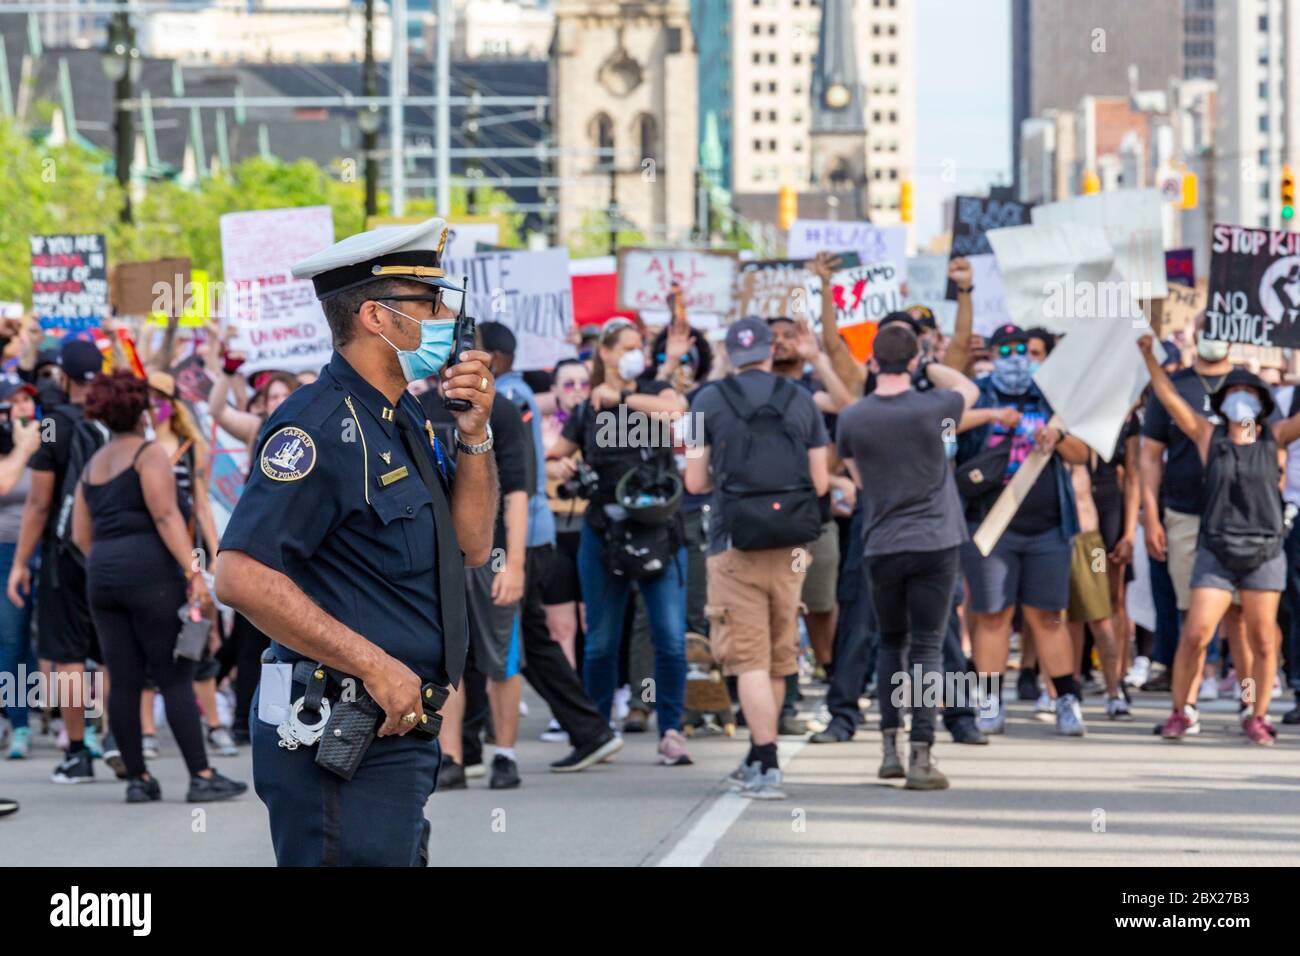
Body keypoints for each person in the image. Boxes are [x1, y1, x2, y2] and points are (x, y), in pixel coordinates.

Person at [214, 217, 498, 866]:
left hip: (396, 726)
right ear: (376, 316)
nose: (443, 318)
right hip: (338, 726)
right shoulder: (316, 424)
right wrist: (374, 665)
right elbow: (238, 575)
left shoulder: (405, 417)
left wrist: (477, 436)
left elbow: (472, 547)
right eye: (426, 303)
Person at [71, 371, 246, 803]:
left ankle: (138, 779)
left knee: (125, 679)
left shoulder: (94, 463)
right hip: (150, 577)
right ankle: (201, 776)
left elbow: (79, 533)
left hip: (102, 578)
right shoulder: (148, 455)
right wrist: (193, 572)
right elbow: (167, 516)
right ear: (141, 409)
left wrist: (108, 561)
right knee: (173, 676)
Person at [686, 318, 830, 798]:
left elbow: (694, 482)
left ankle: (766, 762)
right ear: (772, 350)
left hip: (733, 543)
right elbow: (823, 483)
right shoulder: (801, 398)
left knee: (747, 659)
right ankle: (757, 755)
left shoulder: (704, 400)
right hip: (792, 545)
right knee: (777, 656)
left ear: (728, 353)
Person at [837, 324, 979, 789]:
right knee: (926, 647)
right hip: (934, 541)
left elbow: (856, 476)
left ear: (873, 362)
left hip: (882, 542)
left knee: (889, 643)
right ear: (914, 362)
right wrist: (929, 363)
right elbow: (968, 388)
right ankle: (921, 755)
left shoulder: (854, 417)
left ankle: (888, 748)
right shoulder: (936, 407)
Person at [547, 317, 693, 767]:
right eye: (627, 346)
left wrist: (626, 397)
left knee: (670, 637)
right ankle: (597, 732)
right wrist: (562, 469)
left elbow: (678, 413)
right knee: (601, 642)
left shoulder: (652, 390)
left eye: (641, 347)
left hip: (658, 533)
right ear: (606, 353)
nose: (636, 354)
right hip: (602, 533)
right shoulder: (586, 408)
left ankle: (671, 729)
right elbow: (554, 458)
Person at [476, 323, 622, 772]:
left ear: (496, 358)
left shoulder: (509, 401)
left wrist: (514, 555)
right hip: (521, 539)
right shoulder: (505, 396)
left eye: (472, 348)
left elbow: (516, 481)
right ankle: (589, 731)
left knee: (523, 642)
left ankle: (588, 730)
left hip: (521, 540)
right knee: (529, 639)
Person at [1138, 338, 1298, 745]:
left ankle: (1256, 713)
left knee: (1262, 639)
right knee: (1196, 633)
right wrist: (1147, 357)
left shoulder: (1274, 437)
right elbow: (1169, 398)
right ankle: (1181, 711)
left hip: (1263, 550)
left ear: (1261, 403)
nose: (1241, 400)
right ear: (1223, 402)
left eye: (1248, 393)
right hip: (1217, 549)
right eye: (1234, 393)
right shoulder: (1209, 437)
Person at [954, 323, 1091, 737]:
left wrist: (1058, 436)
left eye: (1026, 351)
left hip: (1048, 527)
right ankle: (991, 701)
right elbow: (943, 431)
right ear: (992, 354)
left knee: (1048, 617)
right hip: (991, 527)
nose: (1017, 358)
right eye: (1007, 350)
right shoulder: (977, 393)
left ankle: (1066, 698)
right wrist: (992, 415)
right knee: (993, 615)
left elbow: (1084, 454)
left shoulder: (1053, 395)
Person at [8, 338, 109, 782]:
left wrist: (19, 563)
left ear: (63, 376)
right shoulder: (115, 419)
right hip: (110, 551)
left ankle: (76, 750)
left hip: (64, 554)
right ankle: (114, 739)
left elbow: (38, 504)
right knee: (109, 650)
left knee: (67, 655)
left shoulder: (53, 426)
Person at [1139, 319, 1247, 695]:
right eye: (1207, 327)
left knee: (1244, 617)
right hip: (1185, 514)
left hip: (1242, 521)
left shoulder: (1251, 389)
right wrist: (1150, 515)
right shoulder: (1184, 400)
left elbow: (1277, 448)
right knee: (1193, 612)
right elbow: (1153, 445)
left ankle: (1252, 703)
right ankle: (1190, 696)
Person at [0, 381, 43, 759]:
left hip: (44, 552)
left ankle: (80, 727)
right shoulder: (14, 450)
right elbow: (3, 483)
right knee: (11, 642)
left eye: (27, 399)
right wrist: (22, 448)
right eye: (12, 403)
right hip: (4, 554)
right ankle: (19, 725)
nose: (21, 408)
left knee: (51, 644)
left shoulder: (45, 445)